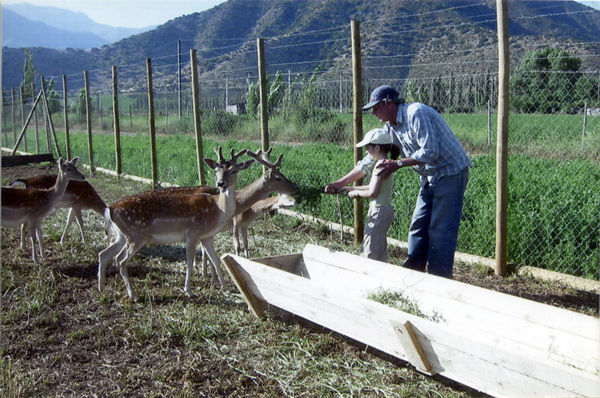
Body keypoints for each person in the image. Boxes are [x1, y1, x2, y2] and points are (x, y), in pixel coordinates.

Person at [325, 85, 473, 278]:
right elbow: (369, 162)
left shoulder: (416, 113)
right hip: (429, 175)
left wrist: (398, 163)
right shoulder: (390, 128)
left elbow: (430, 151)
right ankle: (412, 275)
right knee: (418, 226)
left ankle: (439, 280)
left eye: (376, 107)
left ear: (388, 103)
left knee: (440, 229)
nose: (374, 112)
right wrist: (339, 183)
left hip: (451, 171)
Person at [340, 128, 400, 262]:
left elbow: (373, 192)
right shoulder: (386, 164)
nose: (366, 152)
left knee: (368, 251)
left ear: (377, 148)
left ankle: (366, 277)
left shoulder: (380, 166)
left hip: (378, 211)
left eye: (368, 148)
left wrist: (356, 193)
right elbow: (372, 186)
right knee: (380, 252)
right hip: (385, 210)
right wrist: (351, 188)